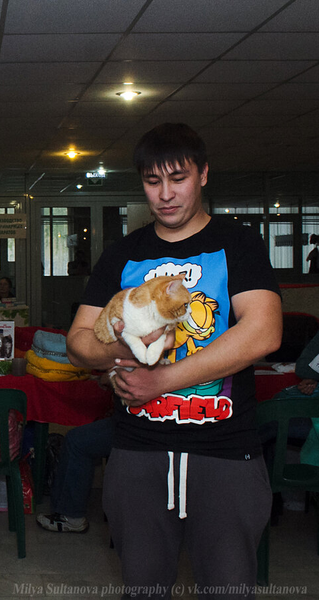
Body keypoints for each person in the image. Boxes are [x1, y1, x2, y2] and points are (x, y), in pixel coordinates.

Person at [66, 122, 282, 599]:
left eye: (177, 178)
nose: (165, 194)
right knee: (142, 589)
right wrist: (127, 348)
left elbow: (264, 332)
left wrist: (161, 380)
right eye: (152, 181)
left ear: (203, 175)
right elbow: (79, 342)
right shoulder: (124, 254)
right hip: (138, 450)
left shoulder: (237, 243)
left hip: (225, 450)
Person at [36, 416, 114, 534]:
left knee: (77, 442)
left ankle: (72, 517)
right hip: (133, 421)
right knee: (79, 435)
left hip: (137, 428)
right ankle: (62, 510)